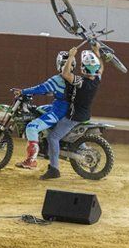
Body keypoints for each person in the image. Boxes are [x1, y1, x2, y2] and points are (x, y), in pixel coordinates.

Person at [41, 45, 104, 180]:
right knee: (70, 134)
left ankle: (54, 169)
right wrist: (96, 51)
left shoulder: (81, 82)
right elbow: (101, 68)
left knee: (53, 137)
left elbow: (65, 74)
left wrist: (70, 56)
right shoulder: (97, 80)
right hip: (85, 115)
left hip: (73, 116)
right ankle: (85, 153)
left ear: (83, 69)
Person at [13, 51, 75, 171]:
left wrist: (23, 91)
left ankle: (31, 160)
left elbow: (40, 88)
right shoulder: (74, 79)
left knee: (31, 127)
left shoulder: (58, 79)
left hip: (58, 112)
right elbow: (55, 91)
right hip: (66, 109)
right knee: (39, 109)